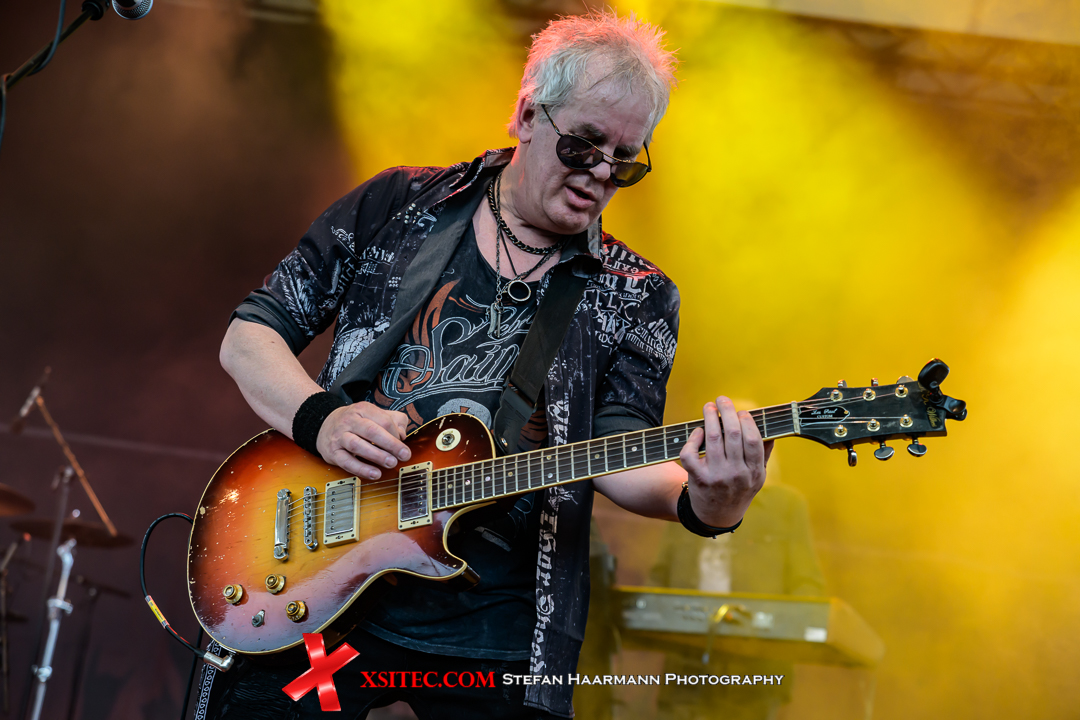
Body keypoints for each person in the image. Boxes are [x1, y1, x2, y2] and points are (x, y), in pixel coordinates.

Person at [209, 11, 772, 719]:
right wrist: (321, 420)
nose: (601, 173)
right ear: (528, 115)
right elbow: (249, 337)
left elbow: (619, 452)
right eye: (584, 144)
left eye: (625, 159)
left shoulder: (637, 294)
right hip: (323, 596)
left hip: (495, 636)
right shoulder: (400, 204)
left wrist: (709, 504)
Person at [649, 451, 826, 720]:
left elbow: (807, 583)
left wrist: (793, 626)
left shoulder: (786, 506)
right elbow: (660, 574)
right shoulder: (685, 497)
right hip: (687, 659)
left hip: (757, 665)